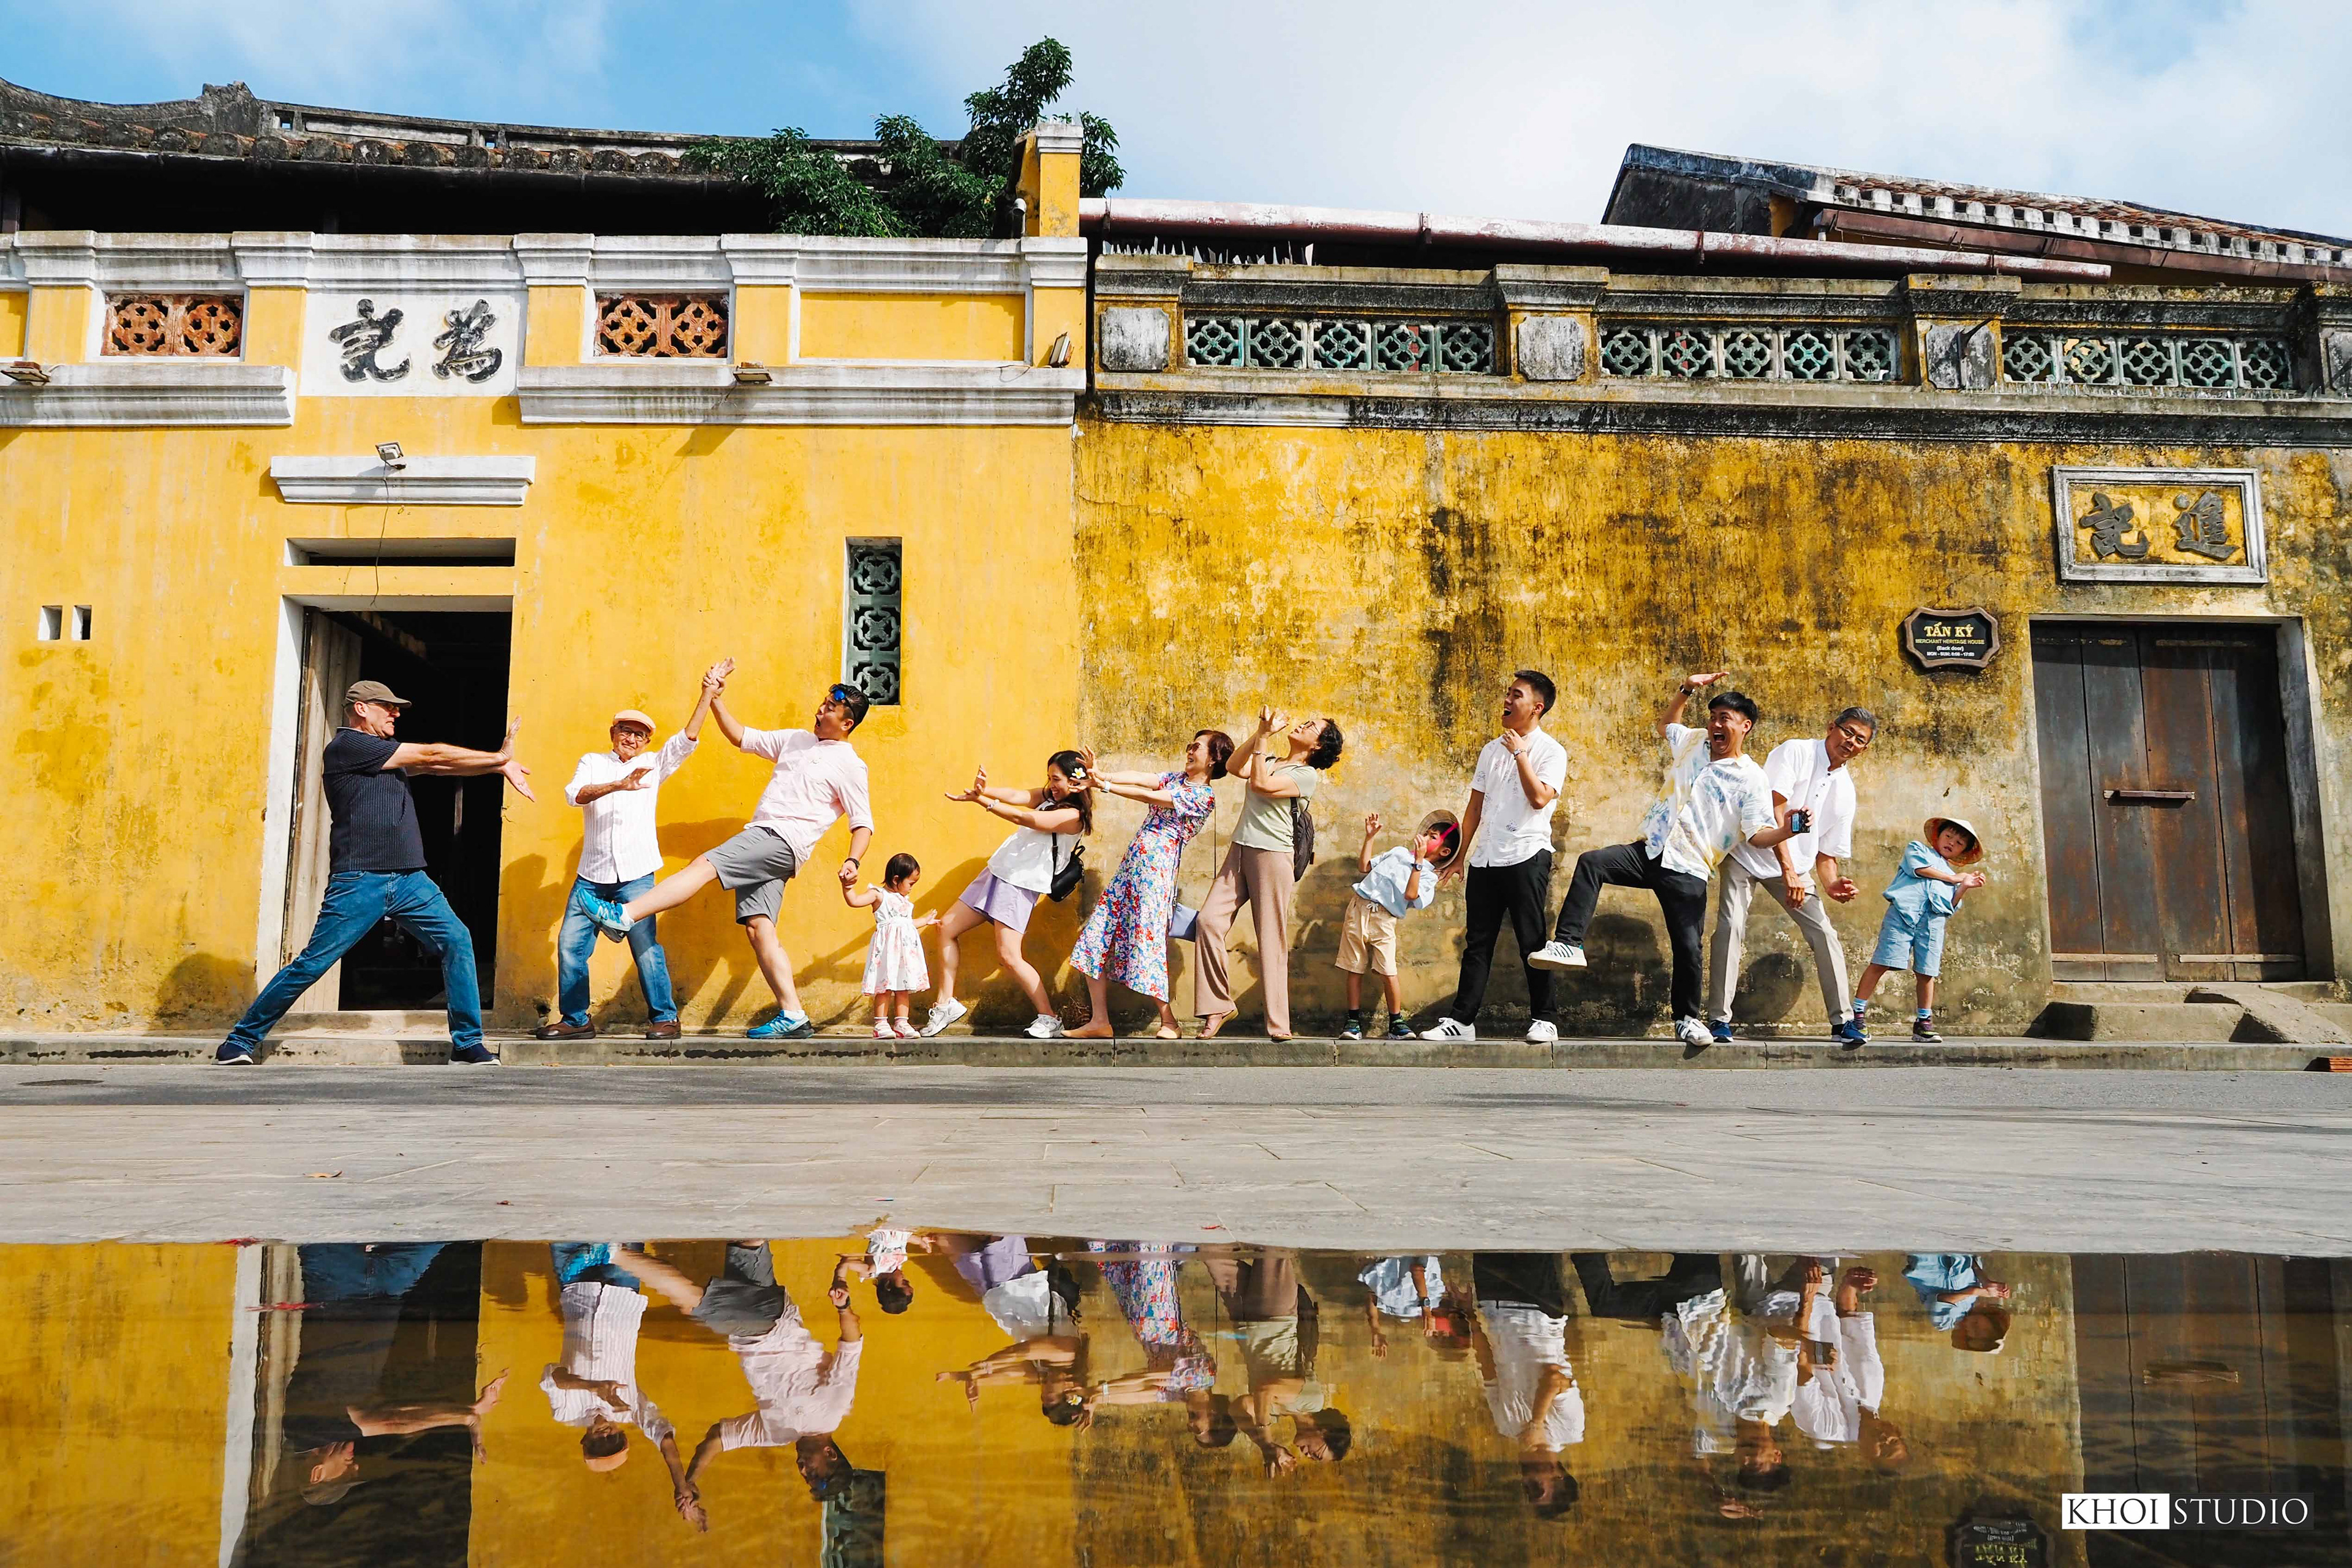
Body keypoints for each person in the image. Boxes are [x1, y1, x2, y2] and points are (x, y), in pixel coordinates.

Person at [216, 679, 533, 1066]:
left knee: (457, 940)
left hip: (411, 879)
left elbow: (437, 767)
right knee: (314, 962)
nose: (396, 713)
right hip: (361, 878)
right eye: (388, 706)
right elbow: (433, 755)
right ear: (361, 709)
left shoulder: (382, 754)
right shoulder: (349, 746)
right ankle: (241, 1039)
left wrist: (498, 766)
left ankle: (467, 1043)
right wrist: (499, 757)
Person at [576, 679, 873, 1039]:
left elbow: (863, 825)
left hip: (780, 839)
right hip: (768, 840)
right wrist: (714, 698)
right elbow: (741, 737)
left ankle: (624, 915)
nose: (820, 710)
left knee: (704, 864)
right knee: (759, 928)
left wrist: (853, 861)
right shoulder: (797, 739)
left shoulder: (851, 765)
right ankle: (794, 1015)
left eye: (830, 709)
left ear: (847, 723)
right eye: (823, 703)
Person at [1529, 673, 1798, 1050]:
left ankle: (1687, 1019)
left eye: (1726, 718)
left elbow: (1757, 835)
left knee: (1688, 947)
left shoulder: (1751, 778)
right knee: (1593, 862)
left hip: (1690, 866)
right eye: (1714, 716)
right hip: (1651, 849)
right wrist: (1686, 689)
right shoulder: (1693, 741)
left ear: (1745, 726)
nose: (1716, 724)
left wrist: (1788, 830)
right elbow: (1667, 724)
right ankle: (1569, 944)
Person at [537, 665, 725, 1042]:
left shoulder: (655, 763)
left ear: (646, 742)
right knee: (570, 946)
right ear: (613, 733)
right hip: (591, 875)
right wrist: (619, 785)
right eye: (626, 731)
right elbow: (576, 795)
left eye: (640, 735)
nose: (633, 739)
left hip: (637, 874)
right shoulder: (592, 762)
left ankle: (666, 1018)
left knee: (646, 946)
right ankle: (576, 1020)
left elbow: (688, 738)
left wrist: (708, 693)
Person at [620, 1243, 865, 1509]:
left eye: (806, 1478)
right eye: (815, 1474)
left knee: (747, 1245)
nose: (803, 1470)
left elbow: (718, 1438)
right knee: (692, 1303)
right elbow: (851, 1345)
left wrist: (691, 1481)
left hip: (759, 1321)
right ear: (830, 1454)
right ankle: (613, 1251)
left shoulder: (777, 1433)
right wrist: (844, 1307)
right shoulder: (833, 1410)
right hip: (770, 1326)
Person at [276, 1243, 506, 1506]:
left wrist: (467, 1417)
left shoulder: (305, 1431)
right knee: (441, 1222)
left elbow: (393, 1421)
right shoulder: (332, 1428)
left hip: (338, 1284)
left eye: (346, 1473)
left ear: (317, 1474)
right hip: (391, 1287)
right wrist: (466, 1409)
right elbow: (397, 1410)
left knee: (327, 1210)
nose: (356, 1468)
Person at [1705, 707, 1876, 1046]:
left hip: (1794, 868)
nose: (1851, 742)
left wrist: (1831, 884)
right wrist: (1789, 872)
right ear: (1832, 727)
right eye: (1848, 732)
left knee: (1825, 933)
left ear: (1864, 749)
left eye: (1860, 740)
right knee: (1731, 927)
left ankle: (1843, 1023)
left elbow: (1826, 854)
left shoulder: (1846, 791)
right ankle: (1718, 1020)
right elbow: (1772, 809)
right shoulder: (1796, 750)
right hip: (1749, 849)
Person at [1422, 672, 1569, 1045]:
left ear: (1536, 707)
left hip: (1526, 855)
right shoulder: (1490, 750)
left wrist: (1520, 754)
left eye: (1515, 695)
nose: (1506, 700)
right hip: (1486, 859)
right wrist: (1459, 856)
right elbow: (1475, 807)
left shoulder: (1551, 751)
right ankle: (1462, 1021)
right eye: (1507, 693)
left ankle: (1545, 1019)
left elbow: (1539, 798)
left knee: (1533, 942)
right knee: (1478, 943)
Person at [1065, 730, 1232, 1040]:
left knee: (1147, 943)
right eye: (1190, 745)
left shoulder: (1202, 796)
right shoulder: (1178, 778)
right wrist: (1104, 774)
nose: (1190, 750)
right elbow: (1145, 779)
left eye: (1198, 747)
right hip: (1133, 867)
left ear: (1214, 759)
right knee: (1095, 938)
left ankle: (1169, 1022)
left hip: (1157, 873)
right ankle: (1100, 1021)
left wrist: (1106, 786)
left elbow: (1150, 796)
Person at [924, 751, 1095, 1041]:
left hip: (1020, 883)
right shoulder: (1049, 798)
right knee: (946, 927)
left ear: (1075, 782)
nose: (1051, 784)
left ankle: (1049, 1018)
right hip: (997, 872)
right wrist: (984, 790)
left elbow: (1026, 818)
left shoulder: (1072, 816)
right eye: (1049, 778)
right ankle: (945, 1005)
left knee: (1009, 956)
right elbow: (1018, 796)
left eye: (1057, 779)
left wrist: (984, 803)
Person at [1196, 709, 1344, 1041]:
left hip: (1273, 855)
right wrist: (1261, 732)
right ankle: (1218, 1005)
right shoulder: (1272, 760)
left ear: (1319, 745)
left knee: (1271, 938)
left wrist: (1263, 738)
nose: (1303, 724)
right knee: (1208, 922)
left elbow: (1261, 786)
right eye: (1306, 720)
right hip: (1241, 848)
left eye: (1312, 727)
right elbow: (1235, 767)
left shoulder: (1306, 776)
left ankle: (1279, 1024)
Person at [540, 1243, 704, 1529]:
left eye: (598, 1444)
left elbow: (554, 1377)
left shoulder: (565, 1413)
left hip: (576, 1285)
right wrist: (681, 1486)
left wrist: (594, 1387)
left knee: (563, 1215)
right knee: (622, 1224)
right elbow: (664, 1440)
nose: (605, 1436)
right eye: (614, 1442)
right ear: (622, 1436)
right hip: (622, 1291)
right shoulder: (629, 1410)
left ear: (585, 1441)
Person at [1204, 1250, 1351, 1475]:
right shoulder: (1312, 1402)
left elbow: (1238, 1408)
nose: (1307, 1455)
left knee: (1210, 1251)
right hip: (1275, 1314)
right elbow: (1265, 1390)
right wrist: (1265, 1431)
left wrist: (1267, 1447)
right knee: (1272, 1248)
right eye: (1316, 1454)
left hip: (1244, 1319)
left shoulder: (1274, 1412)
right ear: (1324, 1432)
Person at [1467, 1253, 1583, 1519]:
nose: (1526, 1482)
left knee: (1485, 1233)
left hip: (1494, 1307)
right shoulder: (1570, 1430)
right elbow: (1554, 1378)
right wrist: (1536, 1424)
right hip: (1538, 1310)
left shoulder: (1506, 1427)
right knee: (1533, 1236)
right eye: (1536, 1490)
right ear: (1558, 1478)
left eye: (1526, 1490)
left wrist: (1472, 1320)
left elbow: (1489, 1369)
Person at [1850, 817, 1986, 1042]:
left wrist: (1963, 887)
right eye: (1949, 836)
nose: (1952, 842)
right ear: (1938, 836)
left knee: (1927, 972)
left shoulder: (1955, 876)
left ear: (1963, 852)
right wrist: (1953, 878)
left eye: (1960, 843)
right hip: (1902, 916)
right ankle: (1857, 1016)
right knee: (1881, 962)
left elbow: (1949, 907)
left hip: (1933, 924)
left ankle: (1923, 1023)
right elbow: (1919, 869)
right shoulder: (1917, 849)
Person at [1338, 812, 1460, 1040]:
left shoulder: (1428, 877)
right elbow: (1364, 866)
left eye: (1433, 837)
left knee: (1388, 971)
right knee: (1354, 967)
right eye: (1426, 833)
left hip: (1385, 918)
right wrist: (1370, 837)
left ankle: (1396, 1022)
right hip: (1358, 909)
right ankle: (1353, 1021)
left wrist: (1419, 862)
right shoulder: (1398, 852)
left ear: (1444, 852)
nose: (1425, 837)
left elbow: (1411, 894)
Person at [845, 852, 937, 1039]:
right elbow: (854, 901)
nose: (912, 888)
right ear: (896, 879)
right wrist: (847, 887)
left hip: (904, 953)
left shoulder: (905, 901)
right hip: (887, 952)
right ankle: (881, 1023)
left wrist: (925, 921)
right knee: (884, 986)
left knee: (903, 987)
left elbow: (906, 923)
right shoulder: (879, 895)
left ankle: (902, 1023)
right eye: (910, 883)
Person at [1359, 1254, 1468, 1358]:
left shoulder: (1408, 1309)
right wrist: (1375, 1329)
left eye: (1435, 1335)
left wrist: (1375, 1329)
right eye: (1439, 1333)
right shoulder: (1433, 1296)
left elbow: (1373, 1295)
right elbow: (1417, 1270)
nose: (1430, 1331)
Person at [1902, 1253, 2012, 1351]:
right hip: (1956, 1252)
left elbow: (1940, 1300)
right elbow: (1972, 1261)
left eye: (1977, 1336)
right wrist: (1986, 1281)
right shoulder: (1972, 1302)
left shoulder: (1944, 1323)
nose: (1978, 1331)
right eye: (1986, 1332)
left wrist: (1974, 1291)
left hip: (1926, 1258)